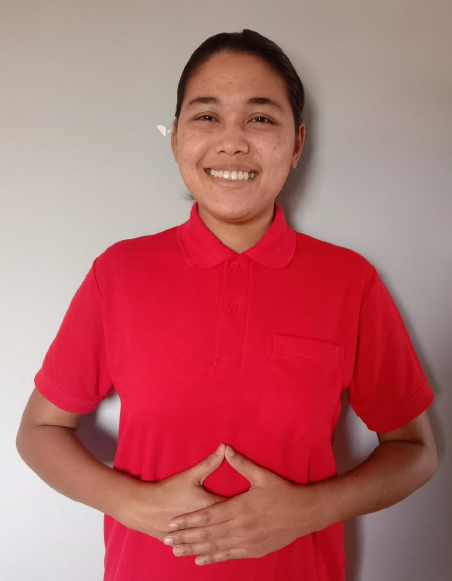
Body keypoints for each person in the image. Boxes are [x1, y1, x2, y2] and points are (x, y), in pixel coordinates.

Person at [16, 29, 437, 581]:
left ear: (297, 144)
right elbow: (39, 432)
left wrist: (309, 510)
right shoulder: (119, 273)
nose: (232, 142)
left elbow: (415, 451)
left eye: (260, 118)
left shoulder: (349, 281)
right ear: (176, 139)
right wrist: (133, 504)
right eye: (207, 116)